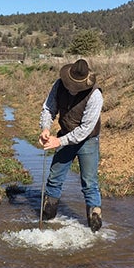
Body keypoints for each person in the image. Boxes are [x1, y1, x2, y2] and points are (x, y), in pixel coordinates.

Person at [38, 59, 104, 232]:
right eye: (70, 84)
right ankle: (47, 220)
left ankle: (95, 227)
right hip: (65, 135)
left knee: (89, 183)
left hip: (88, 140)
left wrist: (58, 141)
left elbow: (84, 129)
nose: (71, 88)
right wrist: (45, 128)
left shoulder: (95, 95)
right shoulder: (59, 85)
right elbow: (48, 108)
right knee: (54, 179)